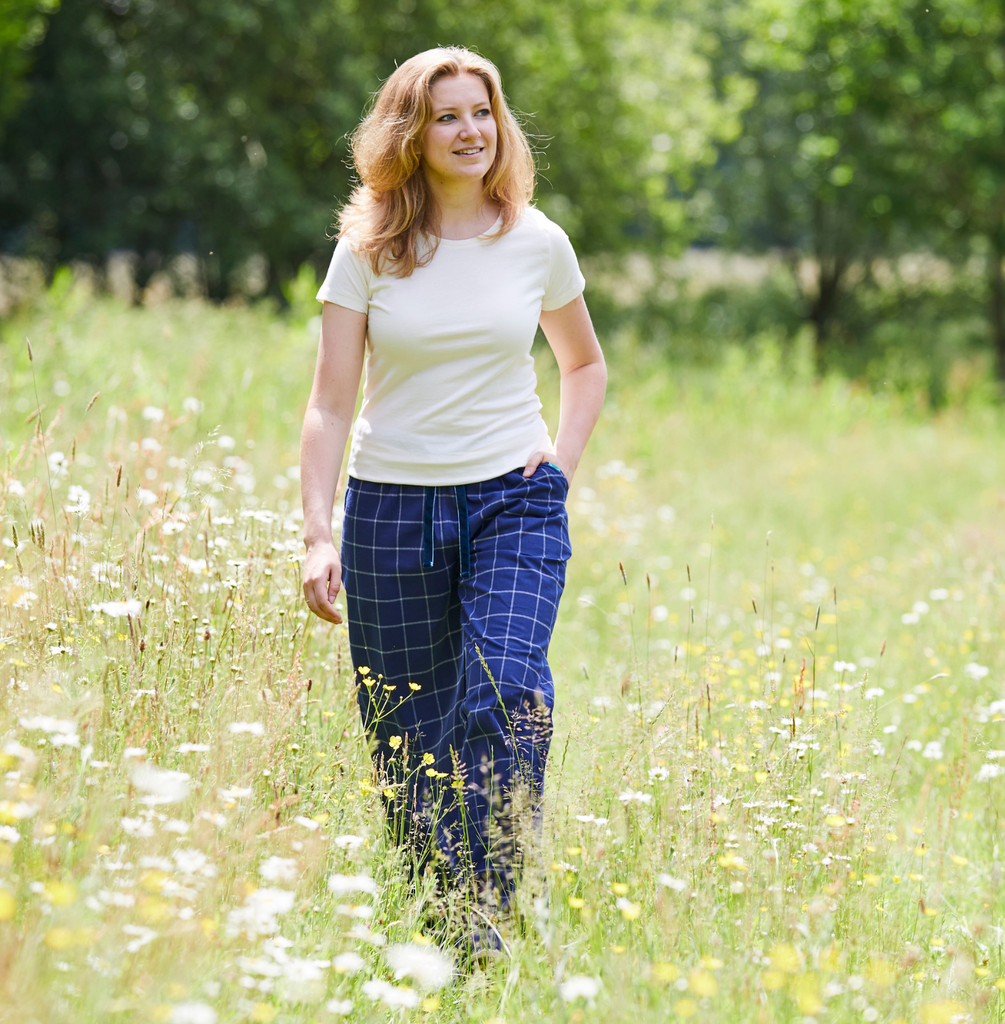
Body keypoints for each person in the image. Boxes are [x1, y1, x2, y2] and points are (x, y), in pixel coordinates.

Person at [299, 46, 606, 956]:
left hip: (512, 503)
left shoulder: (539, 241)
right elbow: (327, 403)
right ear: (411, 132)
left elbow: (584, 366)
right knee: (406, 731)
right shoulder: (368, 253)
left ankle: (497, 903)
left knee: (507, 692)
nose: (470, 130)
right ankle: (444, 928)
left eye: (482, 112)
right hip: (390, 508)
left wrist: (560, 464)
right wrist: (318, 534)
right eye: (447, 116)